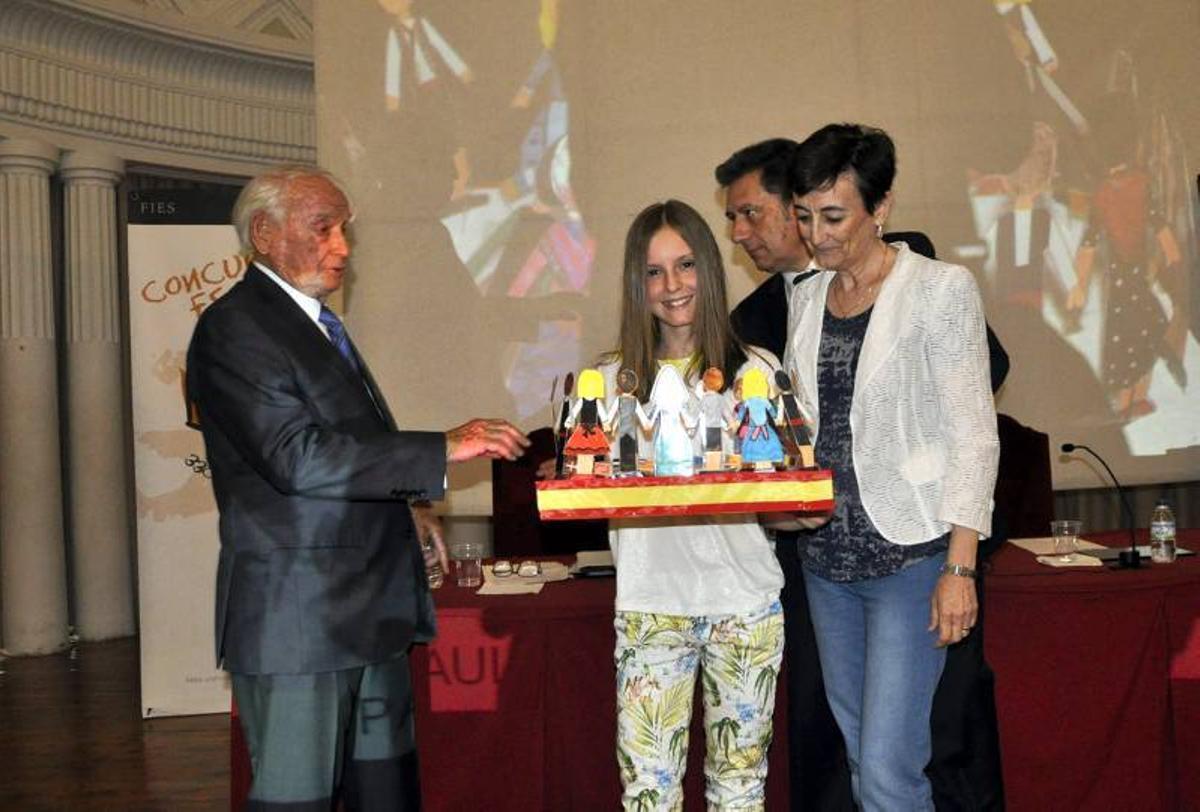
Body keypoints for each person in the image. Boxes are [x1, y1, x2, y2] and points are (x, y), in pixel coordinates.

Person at [186, 166, 528, 811]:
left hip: (365, 614)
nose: (342, 247)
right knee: (297, 800)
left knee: (385, 792)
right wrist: (440, 447)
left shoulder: (310, 323)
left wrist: (409, 507)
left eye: (344, 230)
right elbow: (297, 459)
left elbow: (346, 446)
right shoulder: (237, 328)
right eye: (324, 228)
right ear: (264, 233)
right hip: (301, 624)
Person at [717, 137, 1010, 811]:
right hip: (826, 566)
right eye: (804, 216)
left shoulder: (939, 290)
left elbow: (974, 435)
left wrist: (960, 568)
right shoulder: (809, 297)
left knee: (888, 772)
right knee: (861, 761)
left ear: (880, 208)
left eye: (834, 216)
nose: (816, 235)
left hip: (912, 560)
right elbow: (804, 430)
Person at [601, 199, 786, 810]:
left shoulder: (757, 371)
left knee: (740, 788)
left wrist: (803, 509)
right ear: (637, 284)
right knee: (649, 794)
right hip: (651, 607)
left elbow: (782, 491)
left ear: (709, 266)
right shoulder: (610, 383)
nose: (673, 285)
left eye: (685, 265)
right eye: (654, 272)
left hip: (745, 606)